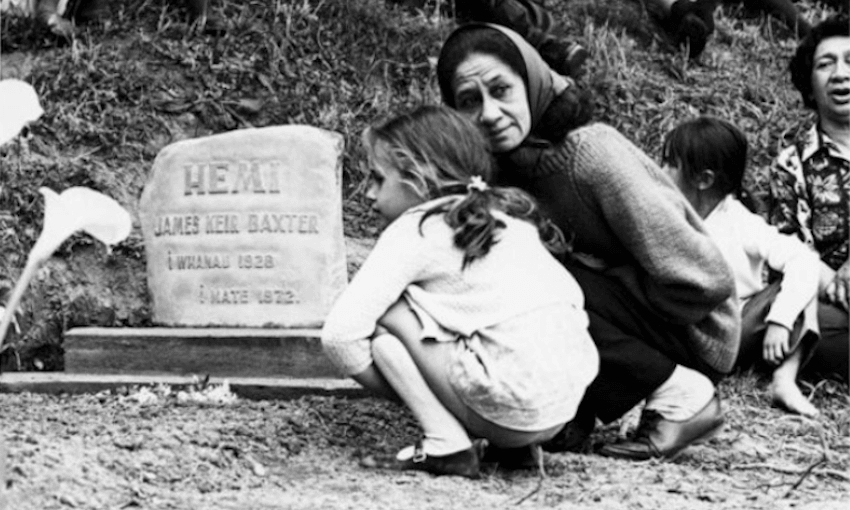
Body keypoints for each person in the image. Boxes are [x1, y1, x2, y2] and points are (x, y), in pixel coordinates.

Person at [436, 23, 741, 461]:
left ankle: (682, 395)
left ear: (533, 82)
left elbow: (707, 279)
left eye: (501, 90)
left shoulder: (592, 156)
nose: (488, 112)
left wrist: (616, 274)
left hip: (691, 329)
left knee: (540, 282)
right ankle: (568, 415)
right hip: (613, 316)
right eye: (469, 101)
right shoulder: (495, 174)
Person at [321, 105, 599, 478]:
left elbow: (339, 336)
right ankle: (509, 445)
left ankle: (445, 441)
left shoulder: (417, 227)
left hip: (509, 408)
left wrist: (417, 396)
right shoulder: (507, 222)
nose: (368, 194)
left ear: (419, 177)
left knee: (387, 311)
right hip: (562, 409)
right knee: (482, 315)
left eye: (377, 178)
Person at [662, 116, 825, 417]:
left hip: (737, 330)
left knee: (803, 282)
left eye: (670, 164)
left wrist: (780, 319)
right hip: (689, 338)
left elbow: (802, 257)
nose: (661, 172)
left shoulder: (737, 220)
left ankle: (785, 377)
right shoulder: (666, 215)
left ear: (704, 179)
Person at [765, 14, 850, 383]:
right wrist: (838, 285)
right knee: (816, 326)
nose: (840, 74)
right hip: (837, 305)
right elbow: (788, 250)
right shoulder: (791, 165)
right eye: (825, 64)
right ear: (810, 85)